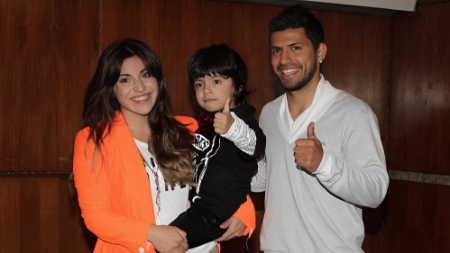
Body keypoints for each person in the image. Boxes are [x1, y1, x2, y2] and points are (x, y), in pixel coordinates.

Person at [73, 39, 255, 253]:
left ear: (158, 79)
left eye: (146, 74)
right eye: (125, 80)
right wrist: (150, 234)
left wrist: (243, 211)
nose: (140, 87)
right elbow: (96, 216)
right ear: (111, 88)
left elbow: (224, 175)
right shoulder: (94, 140)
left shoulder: (189, 129)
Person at [251, 5, 390, 252]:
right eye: (276, 50)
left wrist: (324, 164)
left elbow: (376, 190)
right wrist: (216, 165)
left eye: (295, 48)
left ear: (320, 52)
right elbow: (264, 178)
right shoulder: (269, 114)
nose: (284, 60)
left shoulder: (354, 113)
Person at [170, 44, 266, 248]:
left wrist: (233, 128)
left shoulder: (241, 118)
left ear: (238, 87)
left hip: (214, 213)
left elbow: (256, 145)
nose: (207, 90)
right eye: (199, 84)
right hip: (198, 207)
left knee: (167, 243)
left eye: (216, 81)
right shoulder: (203, 125)